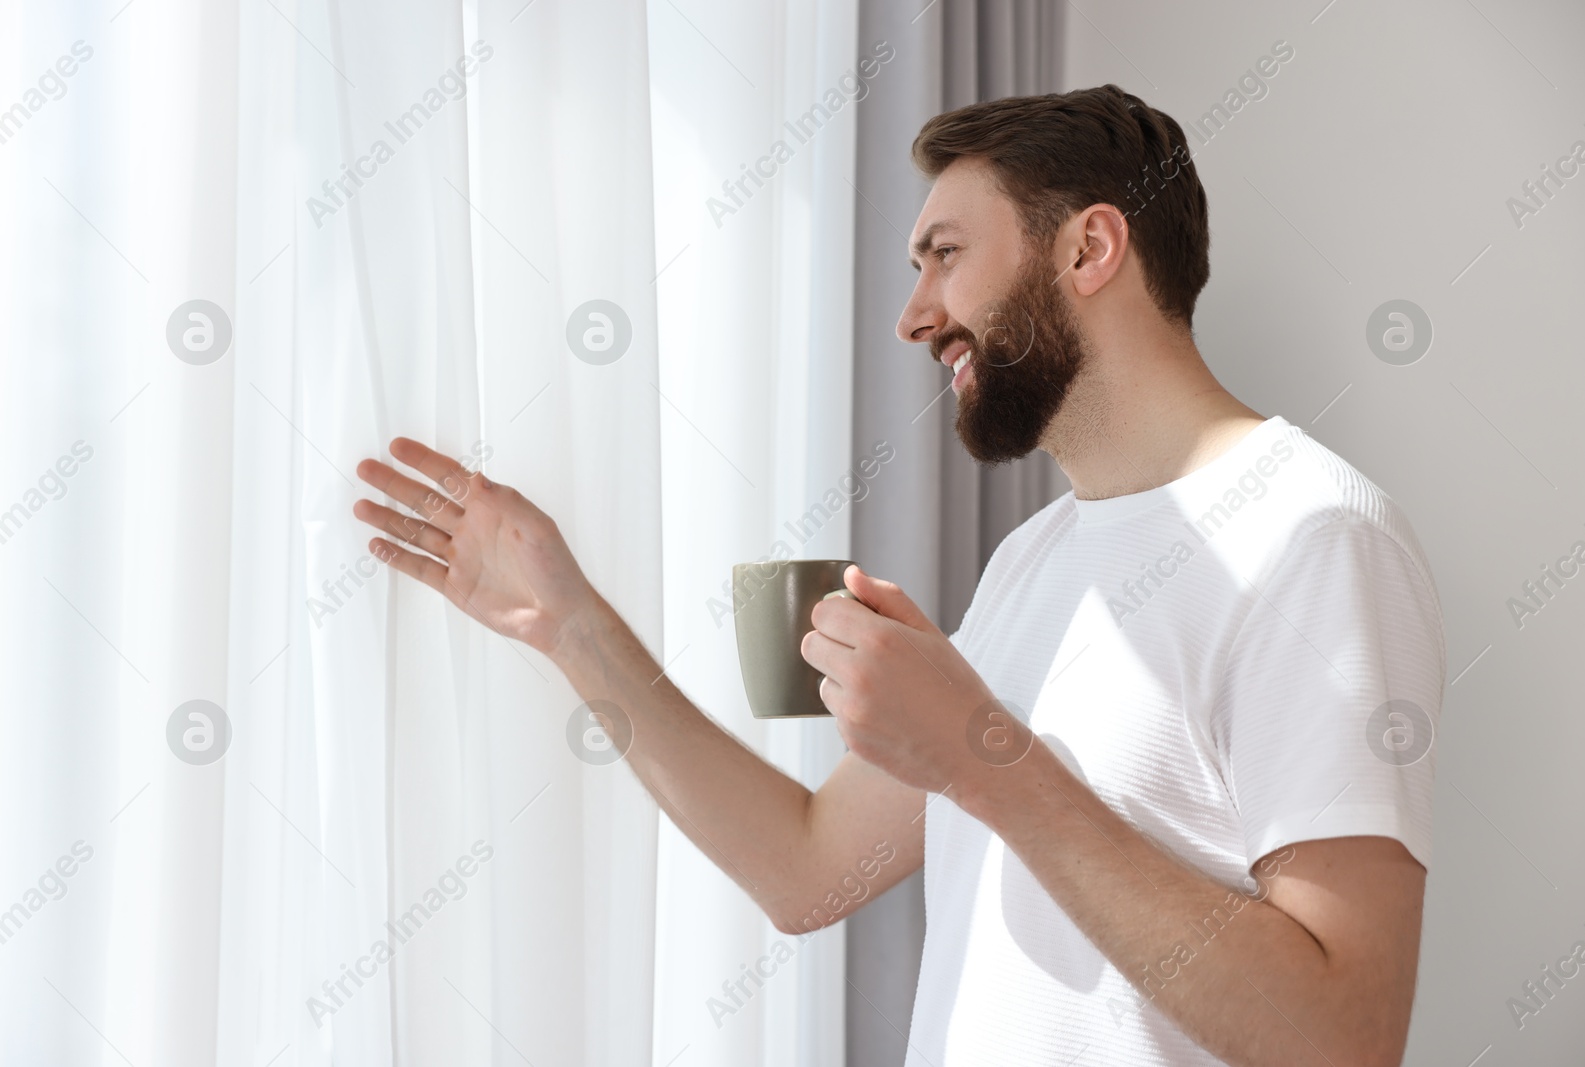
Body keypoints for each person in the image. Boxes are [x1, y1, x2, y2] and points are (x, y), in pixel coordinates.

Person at [352, 85, 1444, 1067]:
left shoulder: (1314, 538)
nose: (913, 315)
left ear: (1088, 248)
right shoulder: (1037, 559)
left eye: (944, 255)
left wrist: (981, 752)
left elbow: (1341, 1036)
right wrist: (567, 620)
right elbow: (806, 869)